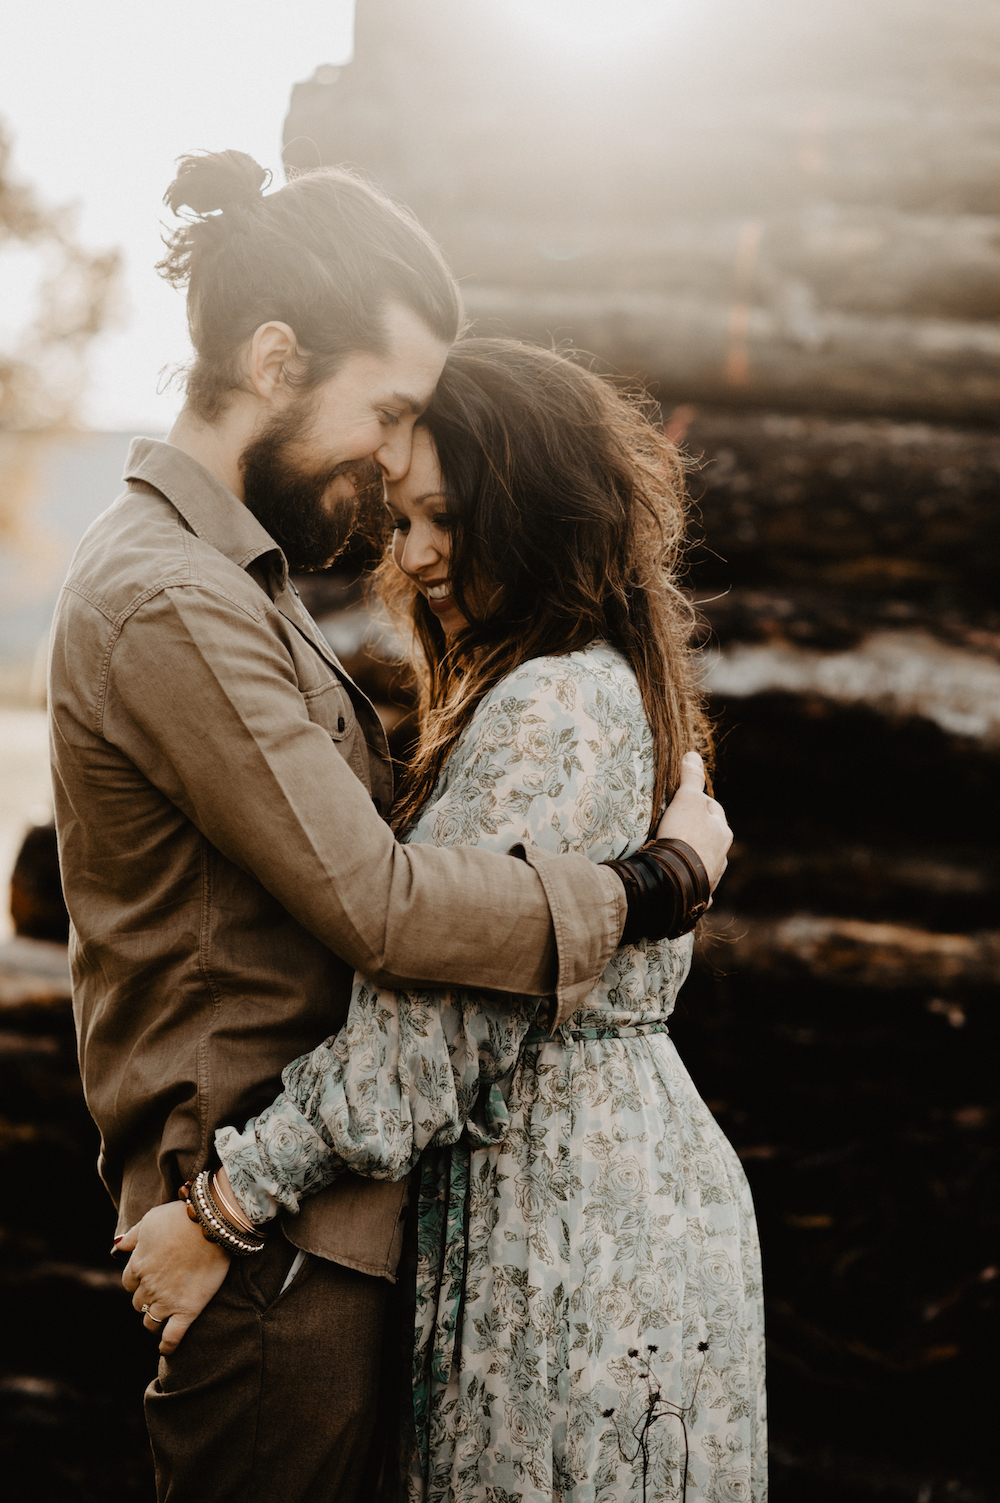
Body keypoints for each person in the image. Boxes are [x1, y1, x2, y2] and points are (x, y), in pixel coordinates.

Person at [49, 153, 732, 1503]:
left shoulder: (237, 585)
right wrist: (652, 886)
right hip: (258, 1236)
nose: (389, 454)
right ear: (275, 359)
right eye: (386, 409)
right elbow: (379, 901)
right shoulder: (173, 600)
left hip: (306, 1226)